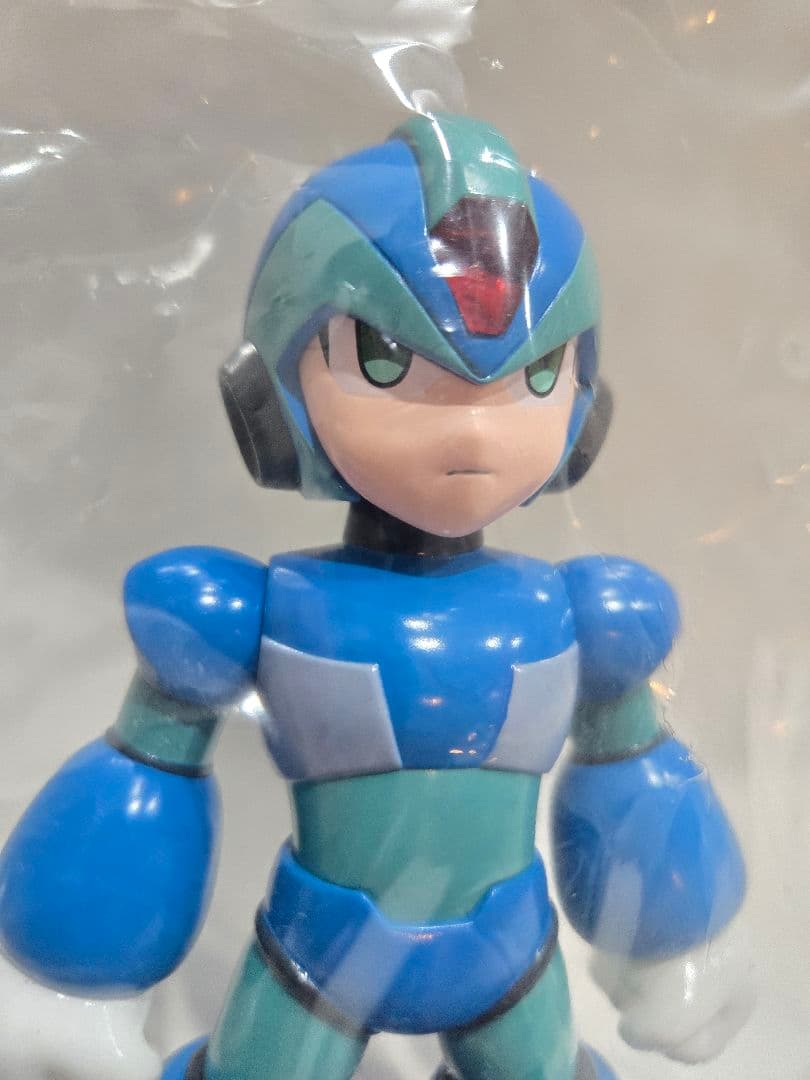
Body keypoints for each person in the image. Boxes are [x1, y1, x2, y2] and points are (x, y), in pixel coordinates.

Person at [0, 113, 752, 1080]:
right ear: (273, 398)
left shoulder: (586, 619)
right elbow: (138, 792)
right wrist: (71, 979)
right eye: (386, 361)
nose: (473, 432)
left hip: (514, 961)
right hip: (314, 962)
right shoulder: (243, 614)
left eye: (534, 375)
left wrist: (679, 945)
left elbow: (635, 790)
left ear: (582, 409)